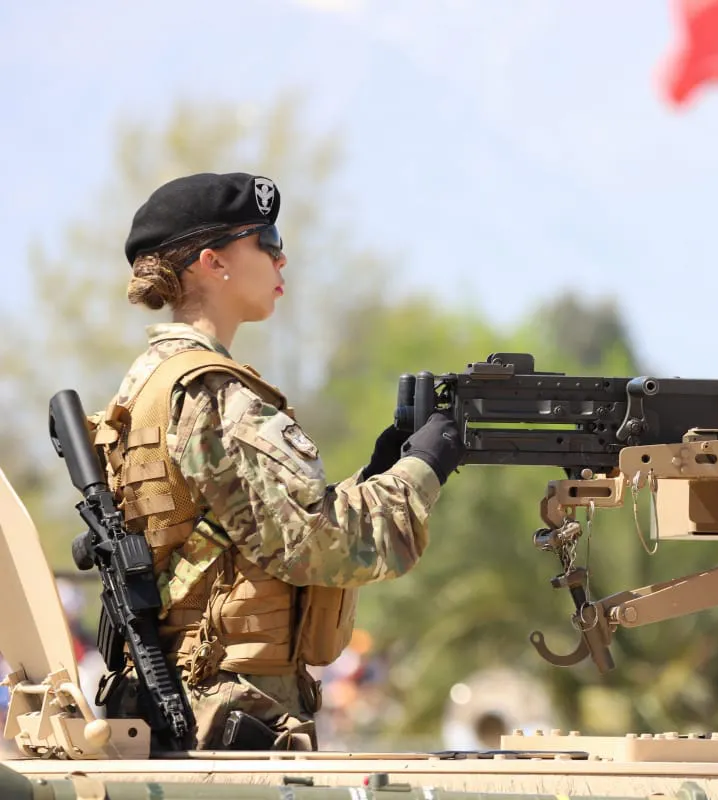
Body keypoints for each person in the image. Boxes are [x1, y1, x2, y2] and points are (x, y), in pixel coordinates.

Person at [89, 172, 465, 752]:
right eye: (267, 242)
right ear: (213, 262)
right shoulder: (215, 394)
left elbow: (242, 530)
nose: (281, 258)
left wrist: (377, 474)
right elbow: (313, 546)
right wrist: (424, 469)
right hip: (231, 714)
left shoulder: (149, 383)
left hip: (191, 706)